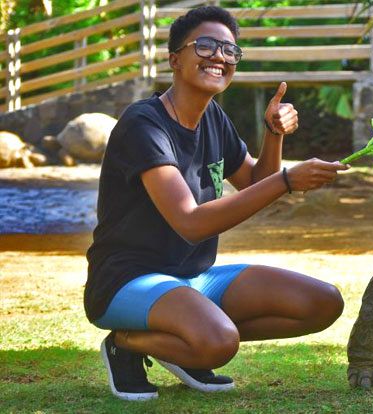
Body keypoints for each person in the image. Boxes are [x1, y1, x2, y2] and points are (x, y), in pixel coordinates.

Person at [84, 6, 349, 401]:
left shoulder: (214, 120)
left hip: (193, 278)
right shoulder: (144, 125)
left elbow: (258, 184)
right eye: (206, 45)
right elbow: (189, 222)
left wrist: (273, 134)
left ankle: (185, 334)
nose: (220, 56)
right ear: (175, 59)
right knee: (219, 344)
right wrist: (288, 180)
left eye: (229, 50)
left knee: (321, 303)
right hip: (127, 280)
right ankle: (127, 342)